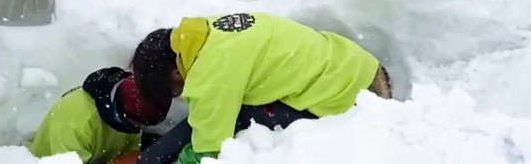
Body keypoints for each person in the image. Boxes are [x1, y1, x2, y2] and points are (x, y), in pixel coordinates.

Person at [129, 12, 392, 164]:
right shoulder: (203, 33)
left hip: (349, 98)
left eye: (174, 90)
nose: (179, 94)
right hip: (357, 66)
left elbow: (208, 149)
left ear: (176, 71)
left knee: (235, 119)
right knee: (209, 117)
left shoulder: (211, 72)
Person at [27, 67, 171, 163]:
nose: (138, 129)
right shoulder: (73, 125)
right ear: (123, 115)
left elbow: (131, 149)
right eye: (136, 125)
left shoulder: (132, 109)